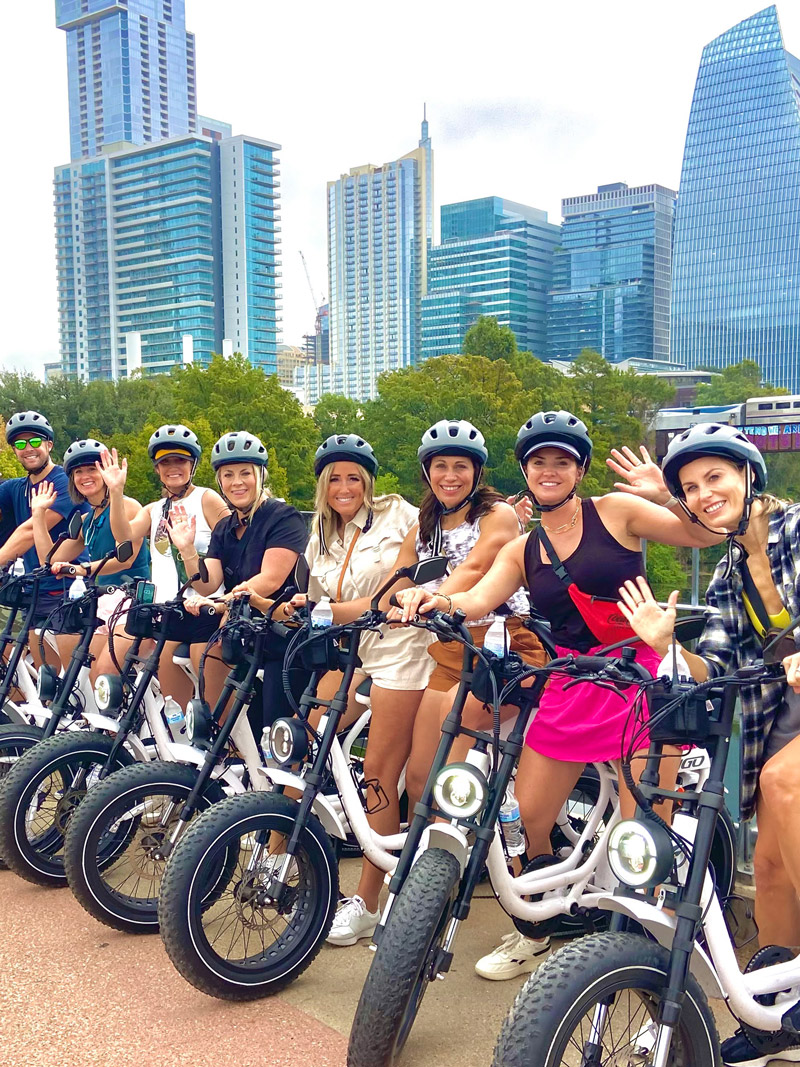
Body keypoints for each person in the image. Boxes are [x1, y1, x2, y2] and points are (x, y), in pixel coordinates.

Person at [396, 410, 722, 981]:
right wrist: (438, 604)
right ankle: (544, 927)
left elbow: (703, 532)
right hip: (572, 682)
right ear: (525, 470)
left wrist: (668, 494)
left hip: (640, 672)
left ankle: (653, 962)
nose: (550, 470)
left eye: (562, 461)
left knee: (642, 830)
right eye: (539, 461)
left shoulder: (616, 512)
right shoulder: (523, 548)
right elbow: (478, 597)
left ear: (580, 469)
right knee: (527, 821)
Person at [613, 423, 800, 1067]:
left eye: (715, 478)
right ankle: (778, 1021)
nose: (703, 493)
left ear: (751, 477)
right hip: (785, 714)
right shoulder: (727, 574)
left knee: (784, 783)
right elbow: (717, 672)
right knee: (770, 864)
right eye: (690, 488)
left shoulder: (796, 529)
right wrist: (666, 647)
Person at [328, 419, 546, 947]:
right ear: (427, 473)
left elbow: (475, 569)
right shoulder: (424, 525)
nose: (450, 476)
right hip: (450, 651)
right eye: (441, 466)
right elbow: (397, 578)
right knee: (422, 778)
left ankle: (513, 897)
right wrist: (363, 611)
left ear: (476, 473)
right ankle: (423, 894)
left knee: (461, 778)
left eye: (460, 466)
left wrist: (435, 597)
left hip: (506, 647)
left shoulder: (495, 515)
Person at [171, 431, 308, 719]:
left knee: (273, 716)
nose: (237, 482)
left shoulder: (284, 517)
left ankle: (239, 739)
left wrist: (223, 604)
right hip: (243, 625)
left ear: (260, 475)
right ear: (220, 481)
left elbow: (270, 580)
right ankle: (224, 738)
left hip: (280, 626)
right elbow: (208, 584)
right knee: (200, 650)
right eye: (228, 475)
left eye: (245, 473)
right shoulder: (225, 527)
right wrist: (186, 549)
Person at [97, 425, 229, 706]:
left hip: (206, 609)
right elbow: (124, 537)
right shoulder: (154, 510)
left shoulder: (207, 499)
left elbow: (236, 542)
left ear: (192, 464)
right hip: (168, 613)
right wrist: (116, 492)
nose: (172, 468)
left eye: (180, 461)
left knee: (210, 705)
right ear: (157, 469)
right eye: (165, 462)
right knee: (174, 706)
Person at [29, 438, 149, 678]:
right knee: (83, 672)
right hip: (101, 603)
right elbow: (50, 560)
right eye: (78, 472)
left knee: (102, 673)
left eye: (92, 469)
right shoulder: (87, 521)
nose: (85, 476)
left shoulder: (130, 507)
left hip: (132, 603)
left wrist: (81, 569)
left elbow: (124, 559)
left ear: (104, 472)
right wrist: (38, 515)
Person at [0, 411, 89, 662]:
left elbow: (28, 532)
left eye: (35, 441)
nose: (28, 448)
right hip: (34, 591)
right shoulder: (15, 488)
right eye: (19, 443)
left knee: (64, 679)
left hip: (67, 590)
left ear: (49, 444)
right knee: (28, 675)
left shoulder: (65, 483)